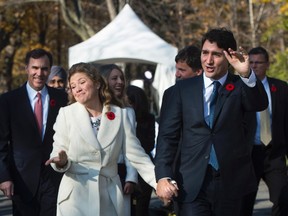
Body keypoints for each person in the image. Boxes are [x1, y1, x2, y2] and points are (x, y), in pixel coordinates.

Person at [154, 27, 269, 216]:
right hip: (191, 182)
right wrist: (163, 176)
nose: (208, 60)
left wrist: (246, 73)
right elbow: (167, 137)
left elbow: (259, 103)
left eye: (216, 55)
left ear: (229, 57)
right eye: (205, 53)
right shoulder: (179, 91)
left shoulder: (241, 85)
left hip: (233, 182)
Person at [45, 62, 156, 216]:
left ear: (97, 84)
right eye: (73, 85)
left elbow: (136, 155)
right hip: (75, 198)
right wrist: (61, 161)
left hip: (110, 196)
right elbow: (58, 150)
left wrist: (159, 181)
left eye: (82, 82)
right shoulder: (66, 114)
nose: (77, 88)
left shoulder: (120, 114)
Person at [0, 48, 68, 216]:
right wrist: (4, 177)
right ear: (27, 69)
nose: (39, 73)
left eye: (44, 68)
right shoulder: (9, 101)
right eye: (35, 68)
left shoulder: (61, 99)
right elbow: (1, 143)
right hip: (21, 180)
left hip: (53, 177)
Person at [240, 46, 288, 216]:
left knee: (283, 199)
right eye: (251, 62)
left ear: (267, 64)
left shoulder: (281, 88)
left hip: (274, 154)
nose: (254, 66)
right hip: (250, 155)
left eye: (258, 62)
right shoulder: (239, 89)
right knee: (244, 204)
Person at [99, 63, 138, 216]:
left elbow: (132, 148)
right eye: (114, 78)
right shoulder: (94, 109)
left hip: (119, 171)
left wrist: (131, 178)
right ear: (104, 81)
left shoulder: (127, 111)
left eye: (121, 78)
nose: (120, 82)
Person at [126, 85, 156, 216]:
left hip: (143, 166)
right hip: (125, 168)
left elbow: (150, 143)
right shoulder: (121, 116)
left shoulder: (148, 118)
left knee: (141, 208)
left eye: (130, 102)